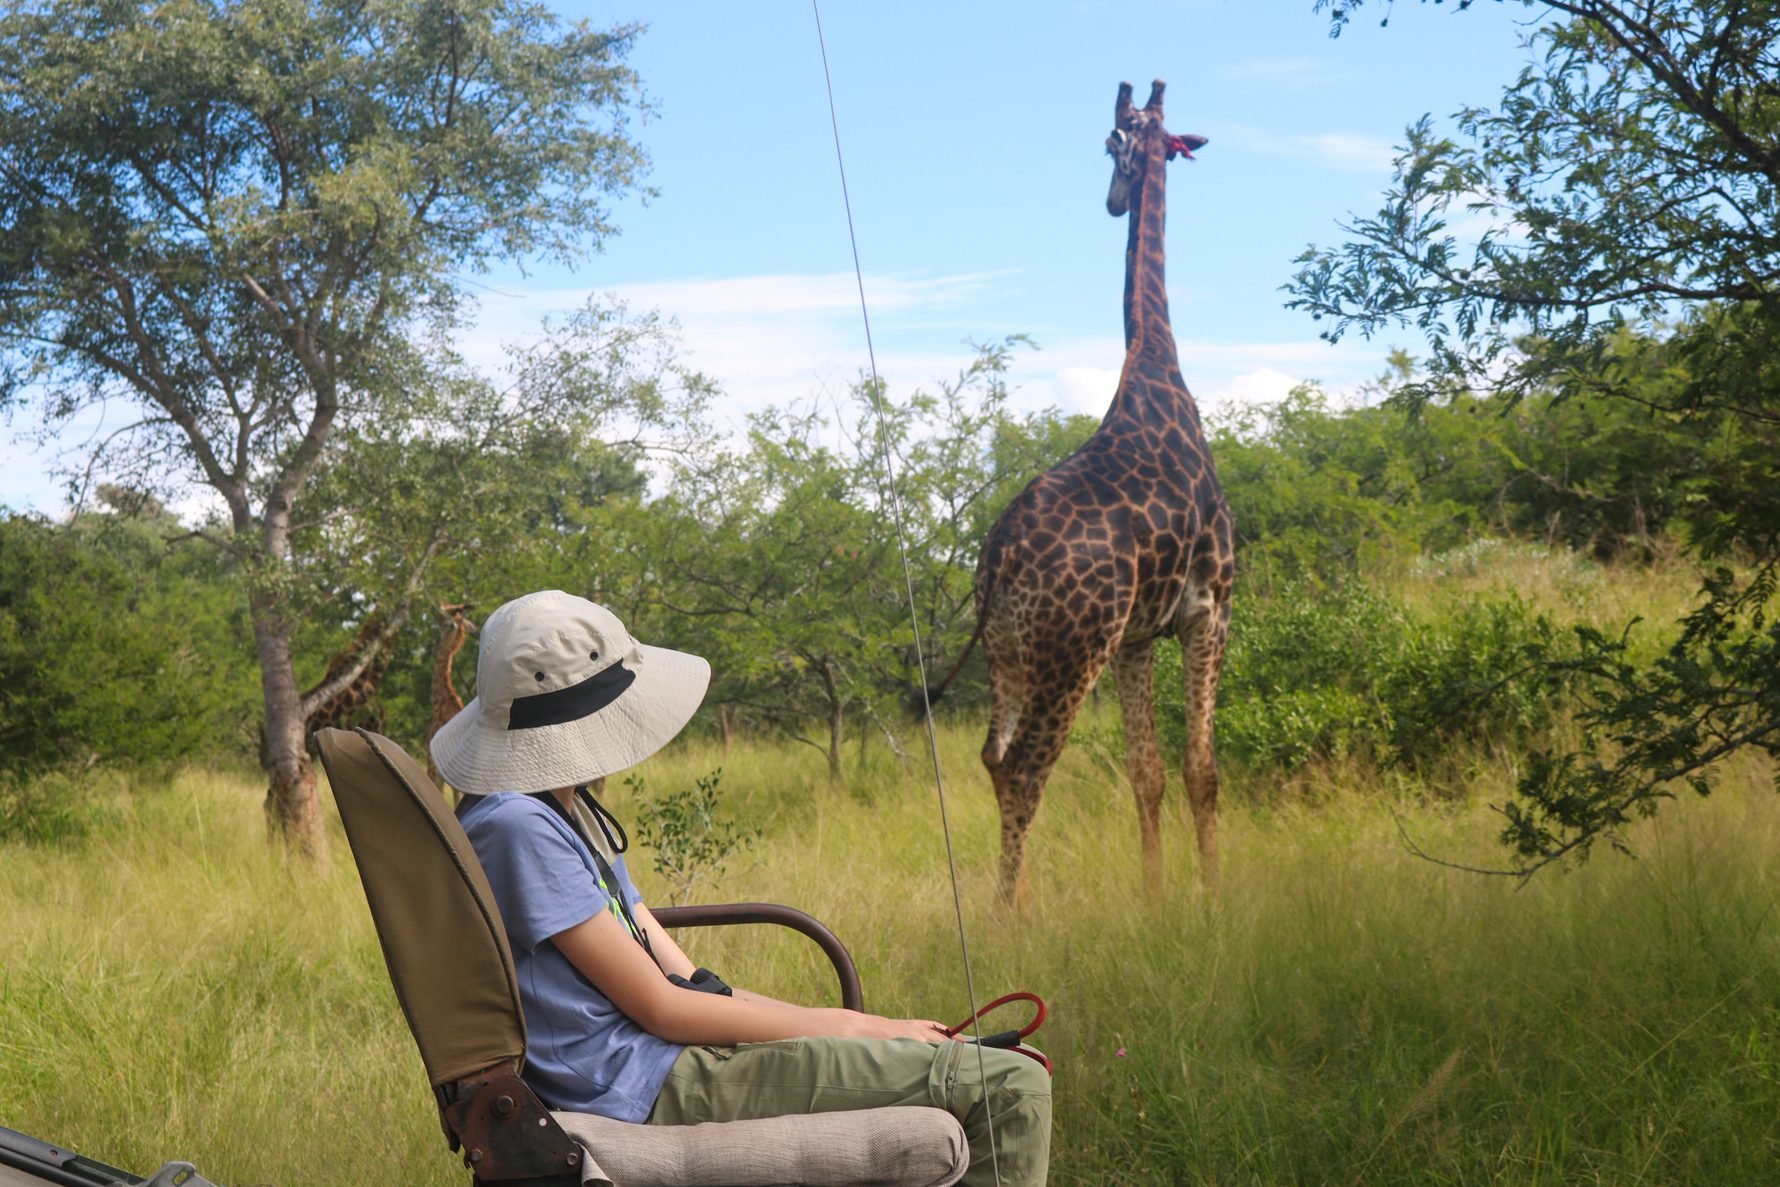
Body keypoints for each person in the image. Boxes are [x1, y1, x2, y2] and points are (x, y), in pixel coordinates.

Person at [431, 589, 1050, 1186]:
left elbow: (690, 981)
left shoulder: (567, 811)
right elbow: (664, 1010)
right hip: (637, 1084)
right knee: (1013, 1086)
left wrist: (852, 1024)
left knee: (982, 1067)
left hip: (659, 1058)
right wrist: (854, 1028)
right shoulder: (517, 825)